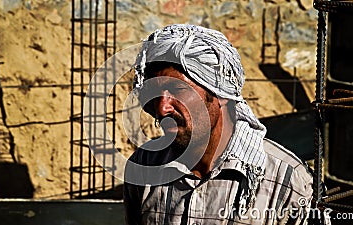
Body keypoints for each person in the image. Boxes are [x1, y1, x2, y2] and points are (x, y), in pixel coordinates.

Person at [124, 24, 315, 225]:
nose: (162, 108)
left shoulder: (287, 181)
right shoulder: (144, 167)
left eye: (178, 89)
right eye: (156, 93)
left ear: (220, 94)